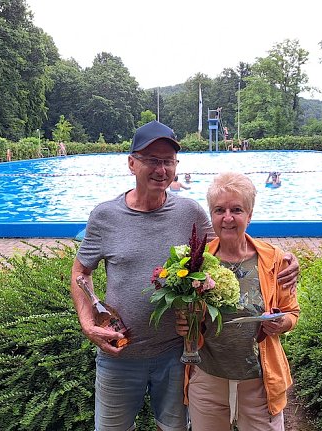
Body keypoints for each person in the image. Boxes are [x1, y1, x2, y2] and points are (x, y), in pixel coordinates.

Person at [70, 120, 300, 431]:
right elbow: (81, 271)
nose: (160, 169)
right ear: (131, 163)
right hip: (119, 357)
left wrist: (285, 259)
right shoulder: (105, 216)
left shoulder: (190, 214)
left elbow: (229, 241)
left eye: (168, 161)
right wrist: (87, 324)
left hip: (177, 357)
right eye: (152, 160)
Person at [177, 172, 299, 430]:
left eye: (237, 209)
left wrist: (281, 323)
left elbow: (292, 312)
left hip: (259, 381)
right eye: (219, 210)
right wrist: (184, 322)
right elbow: (185, 311)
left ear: (250, 215)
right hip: (208, 379)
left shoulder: (273, 259)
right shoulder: (196, 262)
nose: (228, 217)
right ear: (212, 215)